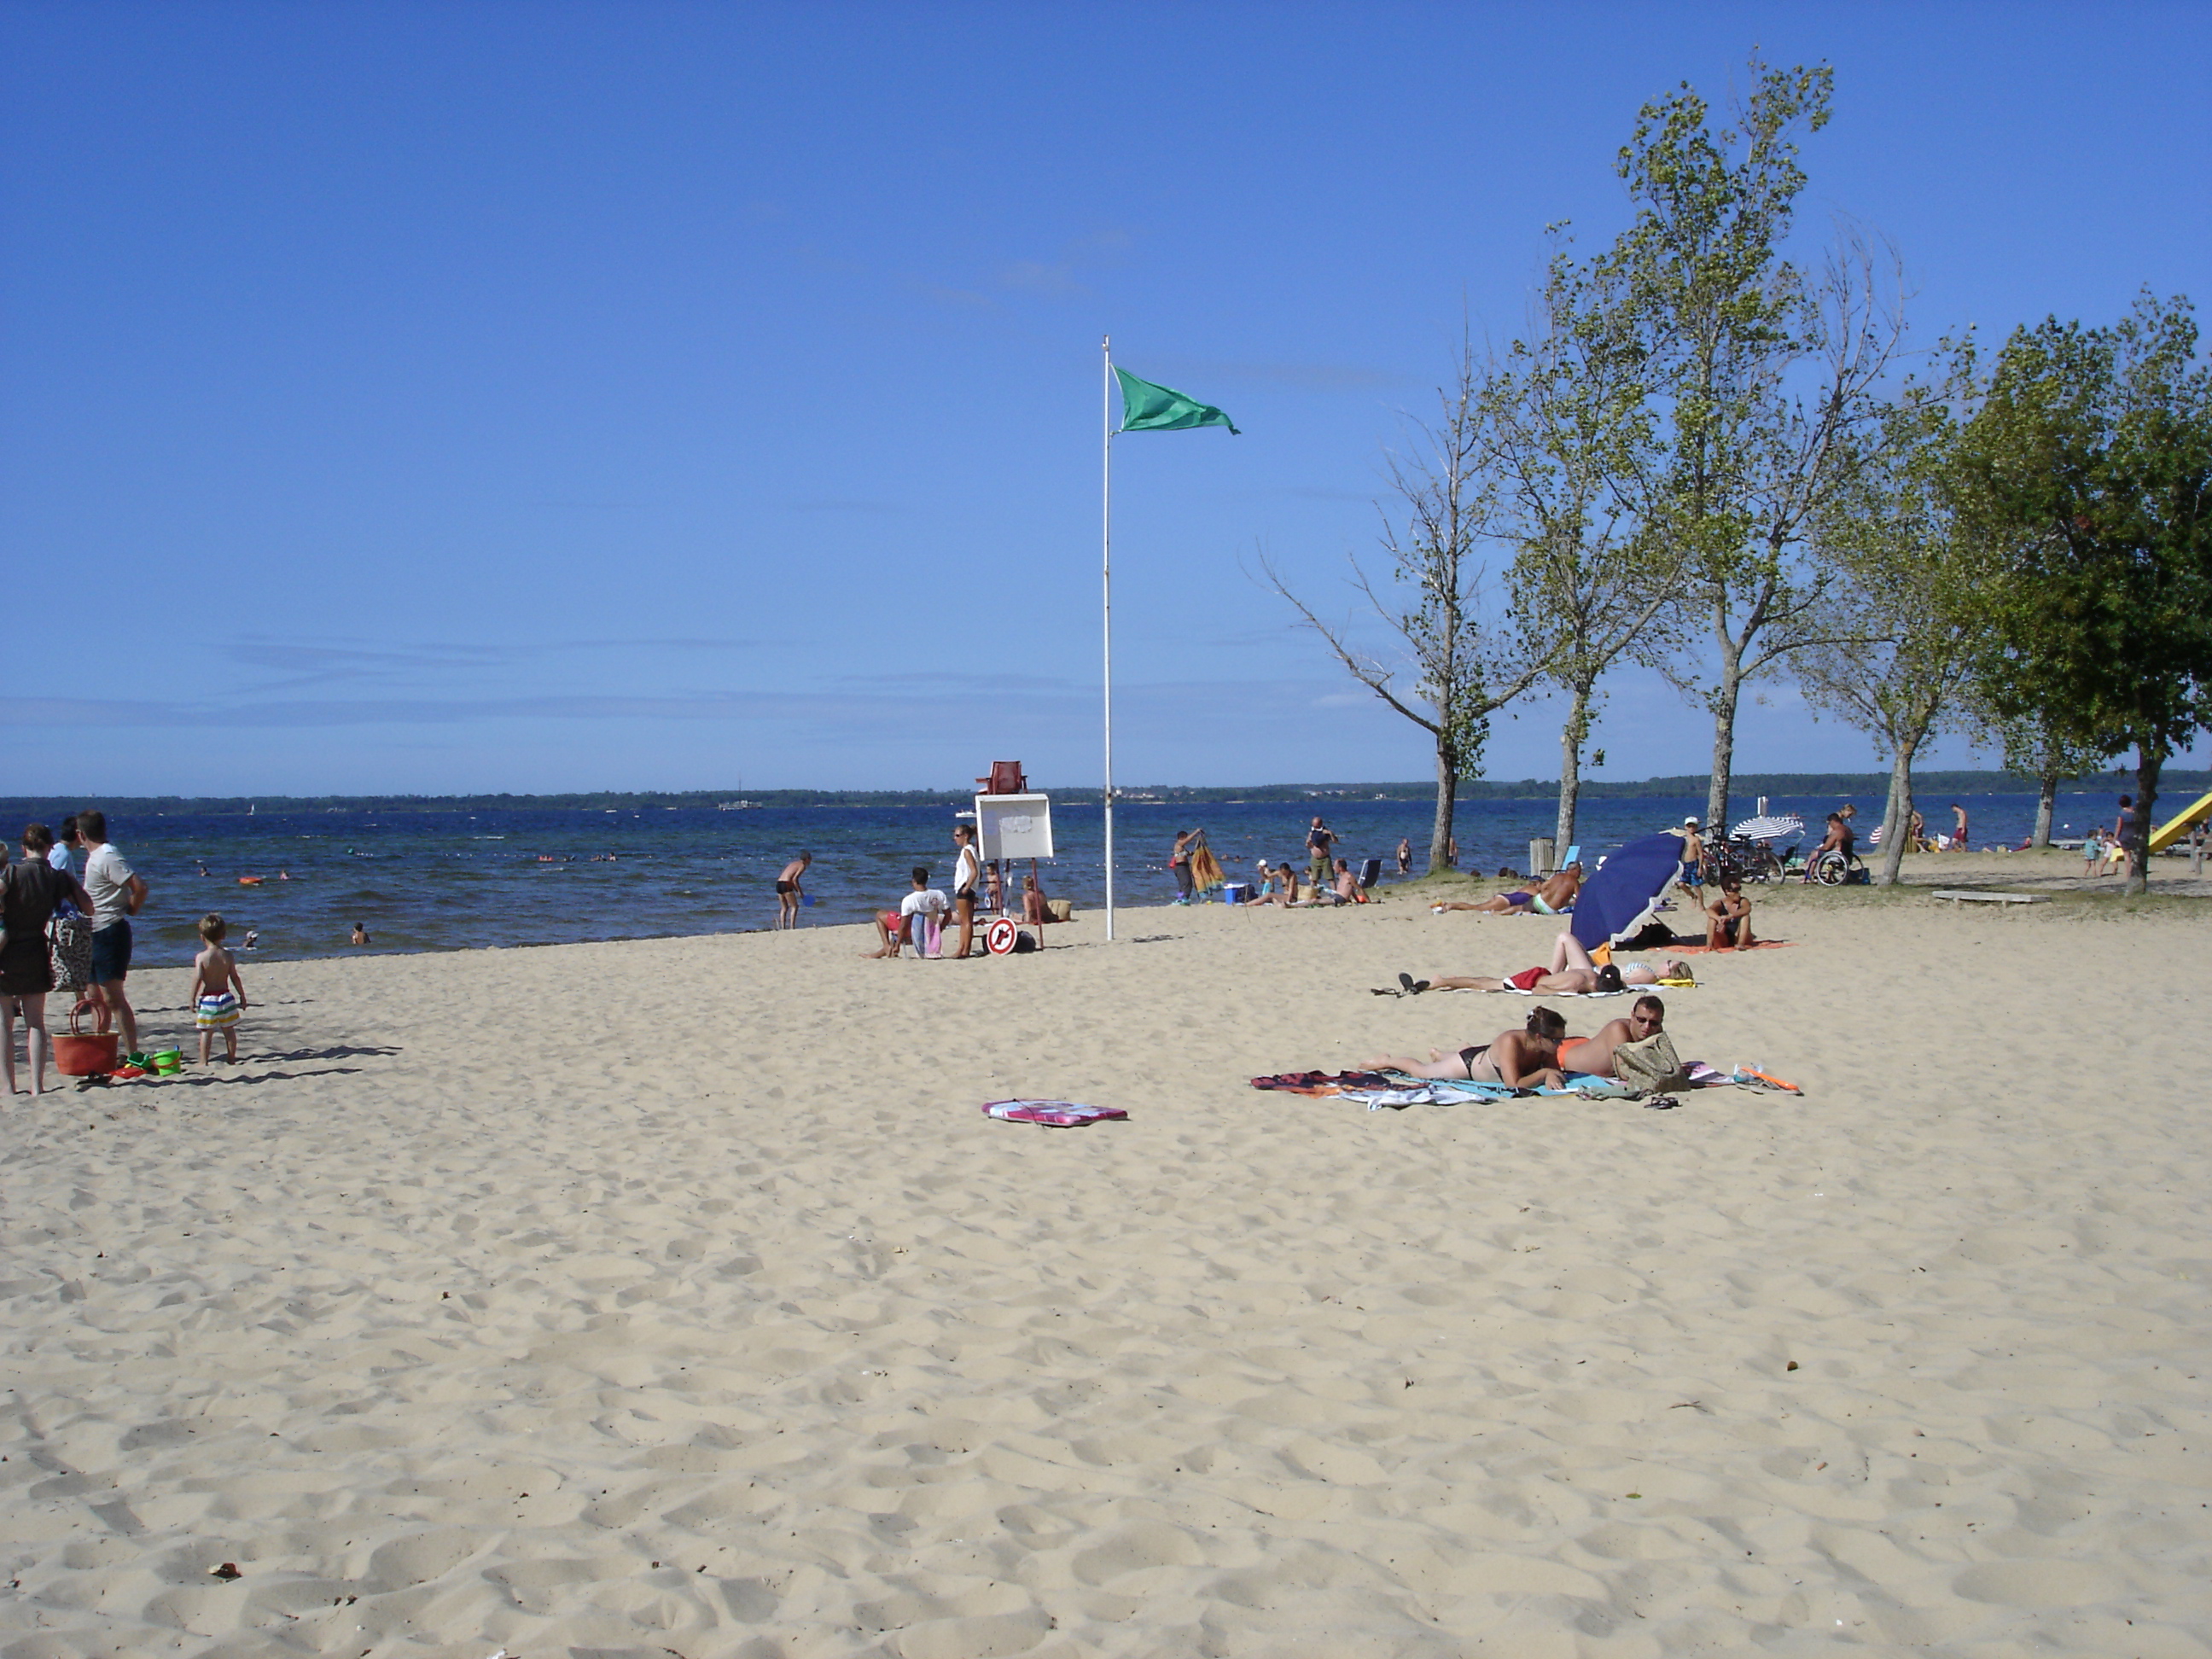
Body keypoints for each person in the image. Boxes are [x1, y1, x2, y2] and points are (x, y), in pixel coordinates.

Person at [2, 826, 95, 1095]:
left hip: (8, 950)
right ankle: (36, 1086)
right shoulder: (57, 877)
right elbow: (88, 907)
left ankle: (8, 1087)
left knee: (4, 1022)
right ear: (50, 847)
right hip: (36, 947)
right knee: (35, 1022)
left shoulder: (12, 872)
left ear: (23, 848)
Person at [1414, 930, 1690, 994]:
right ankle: (1444, 980)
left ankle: (1443, 980)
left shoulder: (1648, 977)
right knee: (1488, 982)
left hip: (1549, 978)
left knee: (1487, 983)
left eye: (1672, 965)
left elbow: (1538, 990)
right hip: (1569, 975)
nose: (1669, 963)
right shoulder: (1583, 982)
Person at [78, 810, 147, 1058]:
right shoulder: (96, 857)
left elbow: (139, 887)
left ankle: (133, 1054)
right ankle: (100, 1051)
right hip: (94, 931)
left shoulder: (107, 856)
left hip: (110, 931)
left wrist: (131, 907)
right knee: (95, 997)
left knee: (113, 998)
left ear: (81, 834)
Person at [1368, 1004, 1570, 1088]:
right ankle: (1388, 1060)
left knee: (1453, 1061)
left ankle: (1442, 1055)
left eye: (1561, 1039)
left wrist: (1550, 1071)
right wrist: (1544, 1074)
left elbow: (1554, 1071)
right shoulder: (1512, 1042)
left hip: (1483, 1057)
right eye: (1555, 1040)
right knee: (1423, 1072)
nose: (1560, 1043)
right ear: (1539, 1037)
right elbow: (1513, 1084)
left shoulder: (1545, 1048)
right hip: (1470, 1065)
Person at [1556, 995, 1666, 1079]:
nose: (1647, 1026)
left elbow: (1666, 1062)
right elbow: (1623, 1072)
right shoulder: (1618, 1030)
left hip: (1584, 1045)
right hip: (1565, 1057)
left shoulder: (1656, 1031)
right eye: (1641, 1020)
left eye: (1654, 1023)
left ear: (1660, 1022)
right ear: (1632, 1015)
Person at [187, 913, 247, 1064]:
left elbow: (198, 978)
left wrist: (192, 998)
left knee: (206, 1032)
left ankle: (203, 1061)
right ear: (224, 935)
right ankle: (231, 1058)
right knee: (229, 1030)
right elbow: (235, 977)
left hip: (209, 999)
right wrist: (242, 996)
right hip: (226, 997)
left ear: (202, 937)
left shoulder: (202, 957)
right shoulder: (227, 955)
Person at [863, 866, 949, 959]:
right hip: (929, 931)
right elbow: (948, 916)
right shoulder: (939, 894)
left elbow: (903, 925)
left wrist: (898, 945)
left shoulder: (909, 899)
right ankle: (881, 952)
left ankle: (887, 946)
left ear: (914, 881)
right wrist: (939, 930)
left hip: (911, 933)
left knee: (880, 915)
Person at [1431, 864, 1581, 917]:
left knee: (1479, 906)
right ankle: (1450, 906)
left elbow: (1544, 889)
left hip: (1505, 897)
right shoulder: (1534, 891)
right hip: (1507, 900)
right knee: (1476, 908)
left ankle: (1448, 905)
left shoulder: (1549, 882)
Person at [949, 824, 982, 959]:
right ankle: (964, 949)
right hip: (968, 888)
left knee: (965, 921)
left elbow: (974, 871)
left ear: (965, 836)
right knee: (966, 921)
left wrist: (966, 887)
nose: (955, 838)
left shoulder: (967, 851)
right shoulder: (972, 849)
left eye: (957, 835)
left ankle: (963, 949)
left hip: (965, 888)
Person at [1703, 874, 1755, 951]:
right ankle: (1709, 945)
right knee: (1712, 920)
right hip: (1725, 936)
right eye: (1735, 890)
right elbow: (1709, 910)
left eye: (1739, 889)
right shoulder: (1720, 903)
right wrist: (1719, 919)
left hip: (1740, 934)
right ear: (1727, 892)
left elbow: (1747, 909)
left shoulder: (1743, 901)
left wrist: (1730, 916)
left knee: (1746, 917)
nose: (1738, 893)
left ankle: (1740, 944)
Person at [1802, 812, 1854, 882]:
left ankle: (1809, 877)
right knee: (1820, 854)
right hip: (1847, 855)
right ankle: (1820, 876)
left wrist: (1818, 849)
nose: (1829, 825)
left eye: (1829, 823)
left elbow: (1826, 847)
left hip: (1837, 856)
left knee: (1815, 854)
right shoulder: (1847, 829)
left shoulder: (1837, 831)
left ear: (1832, 821)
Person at [775, 853, 812, 930]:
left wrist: (796, 890)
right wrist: (800, 892)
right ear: (807, 859)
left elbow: (789, 877)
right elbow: (794, 879)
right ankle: (792, 927)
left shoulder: (793, 863)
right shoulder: (802, 866)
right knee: (795, 906)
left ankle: (783, 928)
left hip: (779, 883)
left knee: (784, 908)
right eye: (810, 859)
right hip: (786, 883)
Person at [1674, 817, 1706, 896]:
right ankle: (1692, 896)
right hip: (1684, 864)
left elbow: (1701, 854)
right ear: (1685, 827)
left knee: (1696, 886)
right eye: (1689, 826)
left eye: (1693, 826)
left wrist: (1700, 867)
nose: (1691, 828)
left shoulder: (1696, 839)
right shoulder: (1682, 839)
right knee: (1681, 884)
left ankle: (1701, 905)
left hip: (1693, 863)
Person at [1304, 817, 1337, 892]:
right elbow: (1308, 845)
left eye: (1316, 825)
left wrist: (1331, 834)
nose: (1315, 827)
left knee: (1330, 878)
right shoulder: (1312, 833)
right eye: (1314, 825)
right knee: (1314, 879)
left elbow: (1335, 841)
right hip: (1315, 858)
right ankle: (1313, 894)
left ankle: (1335, 894)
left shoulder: (1325, 833)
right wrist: (1308, 843)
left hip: (1325, 858)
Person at [1169, 830, 1200, 904]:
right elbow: (1188, 840)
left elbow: (1190, 853)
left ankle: (1180, 898)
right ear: (1182, 838)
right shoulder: (1178, 844)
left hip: (1183, 866)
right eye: (1185, 837)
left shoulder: (1182, 848)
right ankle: (1184, 898)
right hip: (1181, 867)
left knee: (1182, 884)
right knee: (1187, 883)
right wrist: (1196, 832)